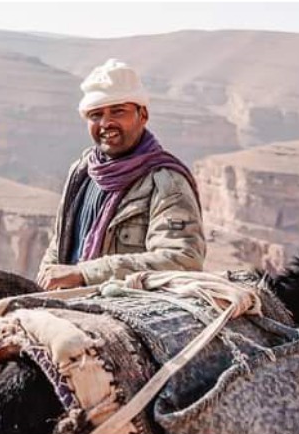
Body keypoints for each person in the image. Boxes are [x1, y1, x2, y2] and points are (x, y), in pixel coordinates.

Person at [36, 59, 204, 290]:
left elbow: (182, 260)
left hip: (128, 308)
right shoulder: (83, 172)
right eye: (96, 115)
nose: (106, 123)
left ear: (142, 115)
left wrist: (85, 274)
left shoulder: (166, 183)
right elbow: (59, 244)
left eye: (118, 111)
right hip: (69, 300)